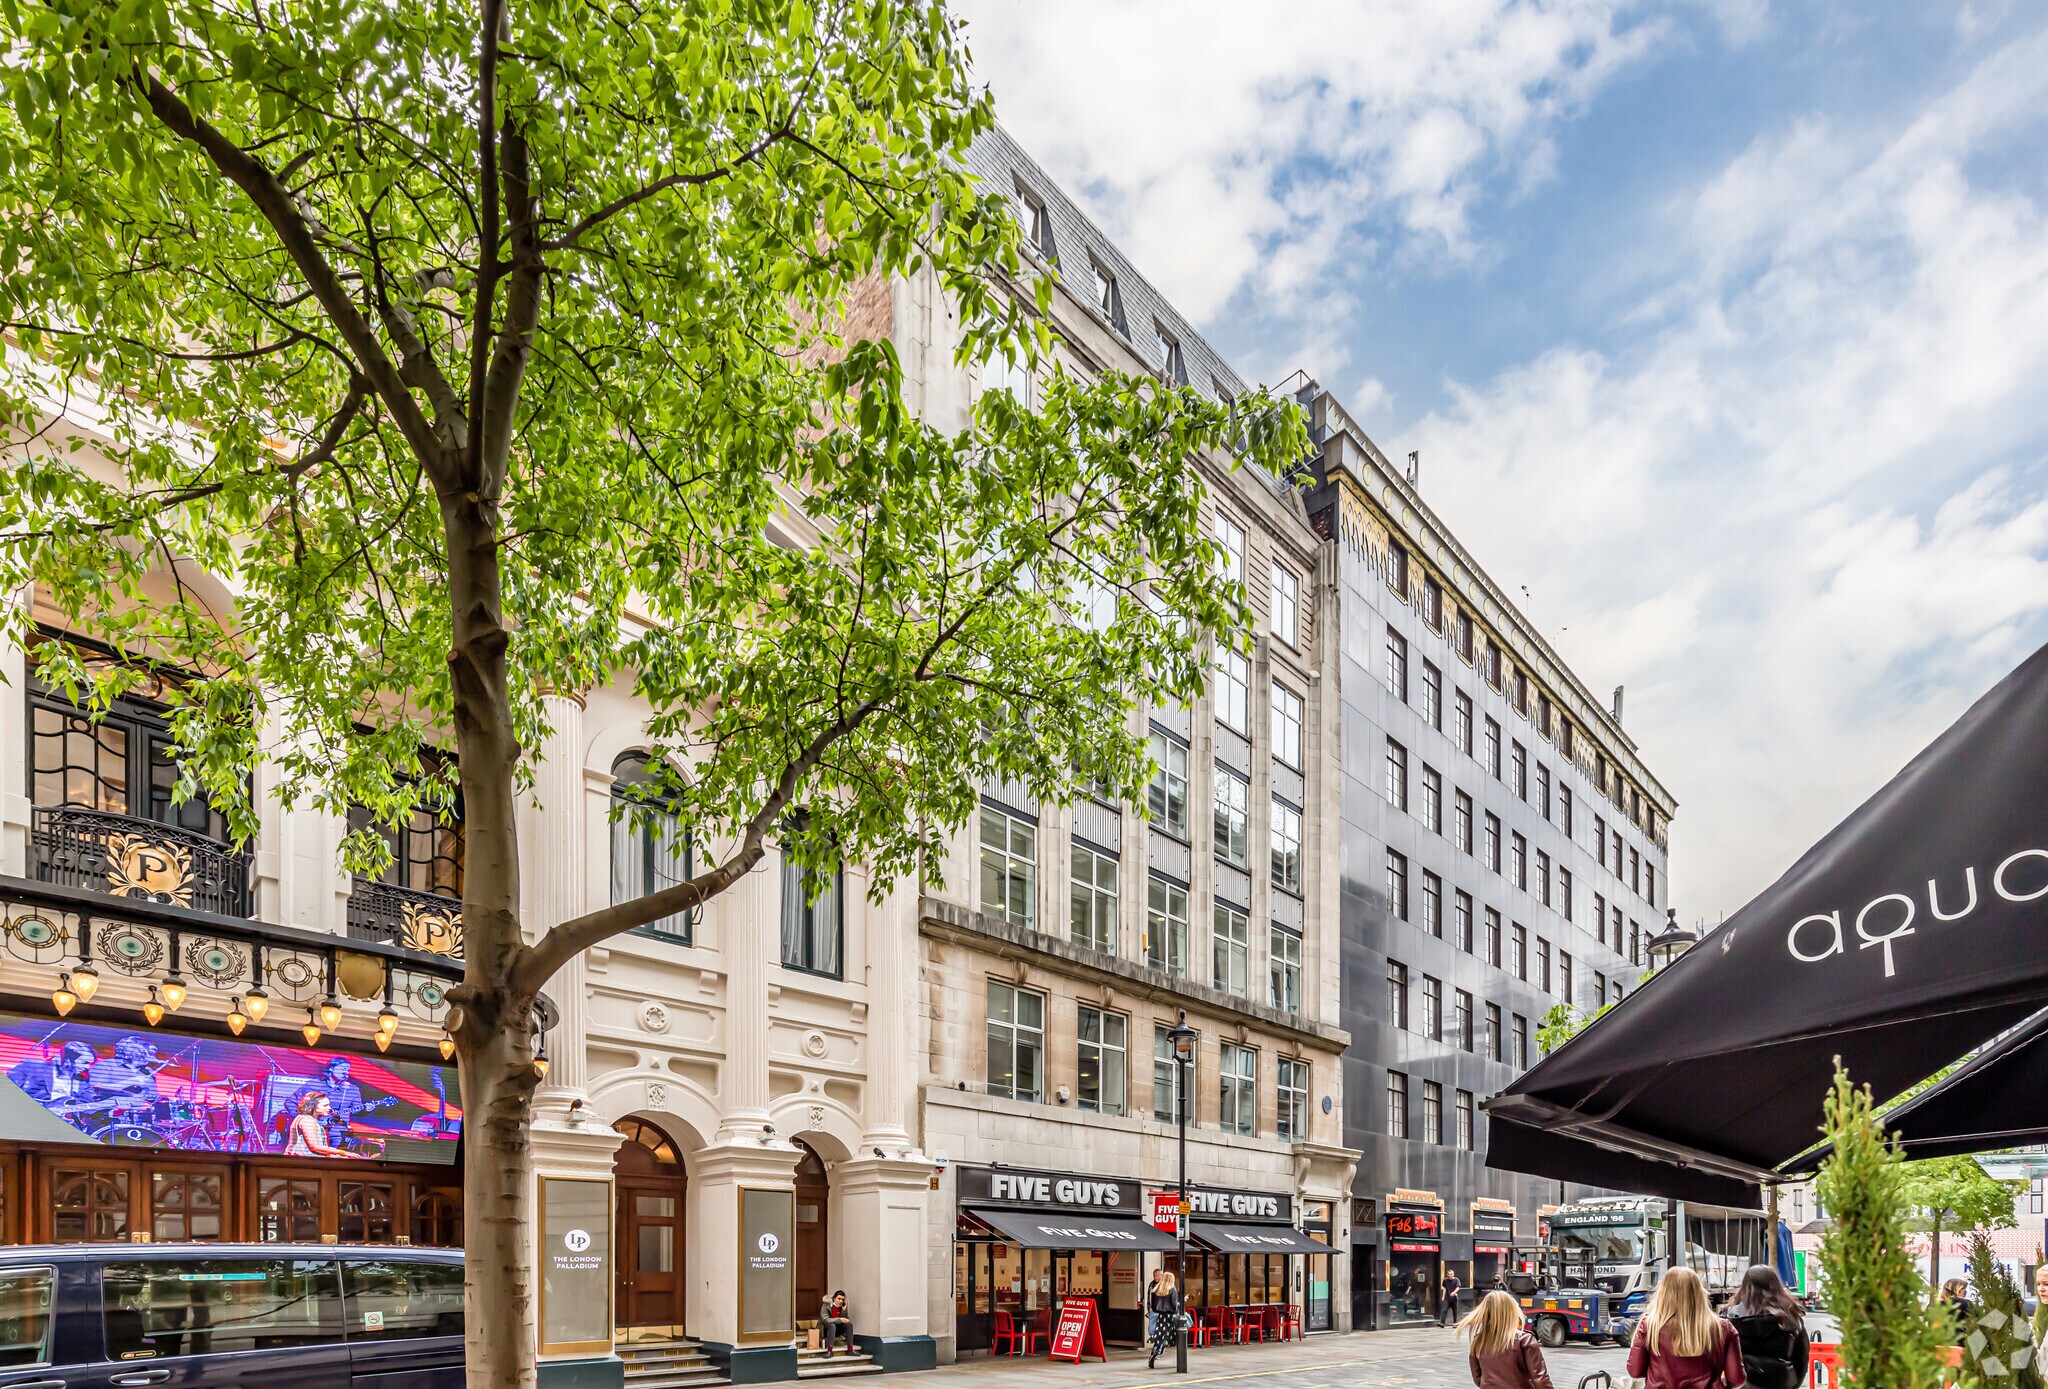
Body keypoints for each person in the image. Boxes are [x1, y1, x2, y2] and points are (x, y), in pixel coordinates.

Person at [1628, 1267, 1746, 1389]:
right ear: (1699, 1292)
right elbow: (1737, 1379)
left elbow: (1634, 1371)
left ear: (1663, 1293)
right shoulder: (1723, 1328)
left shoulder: (1650, 1326)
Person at [1726, 1264, 1810, 1389]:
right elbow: (1801, 1360)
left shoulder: (1730, 1319)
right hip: (1781, 1383)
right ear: (1775, 1285)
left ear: (1744, 1287)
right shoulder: (1791, 1318)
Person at [1459, 1288, 1554, 1389]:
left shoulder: (1478, 1341)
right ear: (1512, 1312)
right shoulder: (1524, 1340)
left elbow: (1478, 1377)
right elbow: (1540, 1379)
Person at [7, 1041, 98, 1108]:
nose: (87, 1067)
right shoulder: (31, 1066)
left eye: (90, 1064)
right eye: (84, 1062)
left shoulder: (83, 1078)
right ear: (67, 1059)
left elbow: (87, 1102)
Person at [283, 1092, 360, 1158]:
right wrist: (344, 1153)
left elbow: (312, 1151)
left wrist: (335, 1156)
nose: (329, 1108)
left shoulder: (308, 1119)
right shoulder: (307, 1120)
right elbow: (315, 1147)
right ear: (313, 1106)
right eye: (325, 1105)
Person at [1147, 1269, 1183, 1370]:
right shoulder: (1172, 1289)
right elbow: (1174, 1304)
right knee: (1175, 1337)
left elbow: (1153, 1304)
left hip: (1161, 1315)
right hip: (1170, 1316)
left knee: (1160, 1335)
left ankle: (1154, 1354)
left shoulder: (1157, 1288)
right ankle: (1180, 1359)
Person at [818, 1291, 853, 1355]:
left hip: (836, 1329)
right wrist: (839, 1320)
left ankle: (850, 1350)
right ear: (834, 1298)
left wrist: (844, 1310)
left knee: (849, 1325)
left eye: (842, 1299)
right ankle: (829, 1351)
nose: (841, 1301)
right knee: (832, 1325)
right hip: (826, 1329)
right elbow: (825, 1319)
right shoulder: (826, 1305)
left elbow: (846, 1319)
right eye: (839, 1299)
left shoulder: (842, 1306)